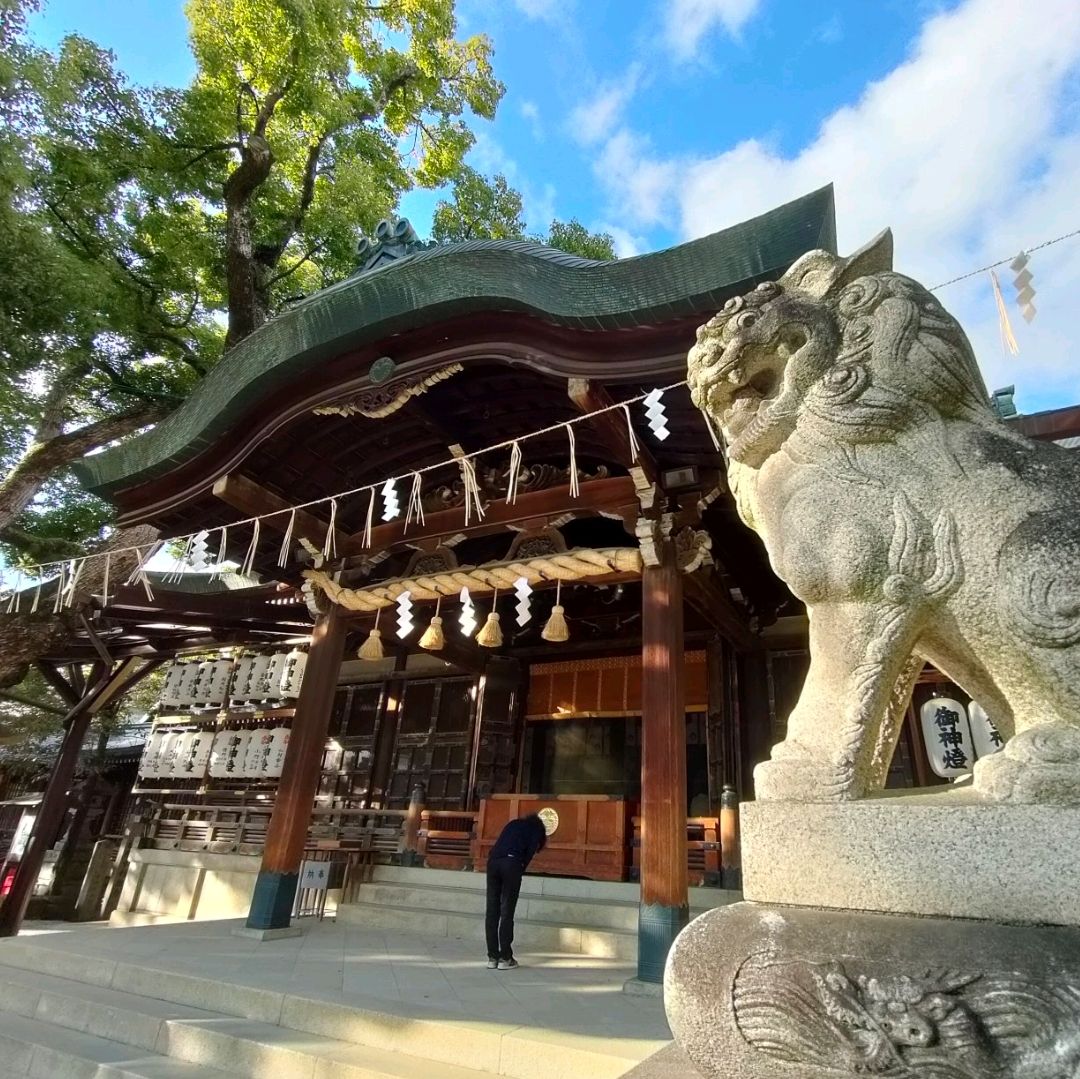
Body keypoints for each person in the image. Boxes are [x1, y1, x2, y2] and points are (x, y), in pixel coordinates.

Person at [485, 812, 548, 969]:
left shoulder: (513, 823)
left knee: (492, 911)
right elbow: (528, 855)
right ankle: (506, 958)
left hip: (493, 862)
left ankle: (492, 957)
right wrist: (519, 870)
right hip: (511, 863)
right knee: (507, 911)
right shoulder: (536, 830)